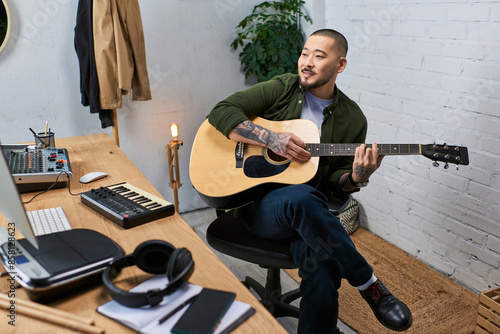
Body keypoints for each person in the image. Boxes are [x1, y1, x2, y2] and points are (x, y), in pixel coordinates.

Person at [207, 29, 412, 333]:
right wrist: (270, 139)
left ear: (340, 65)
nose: (307, 62)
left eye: (319, 56)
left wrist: (357, 177)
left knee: (323, 268)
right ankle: (369, 284)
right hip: (259, 207)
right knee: (300, 198)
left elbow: (335, 185)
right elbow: (221, 111)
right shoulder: (282, 88)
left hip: (311, 217)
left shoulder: (353, 119)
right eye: (305, 53)